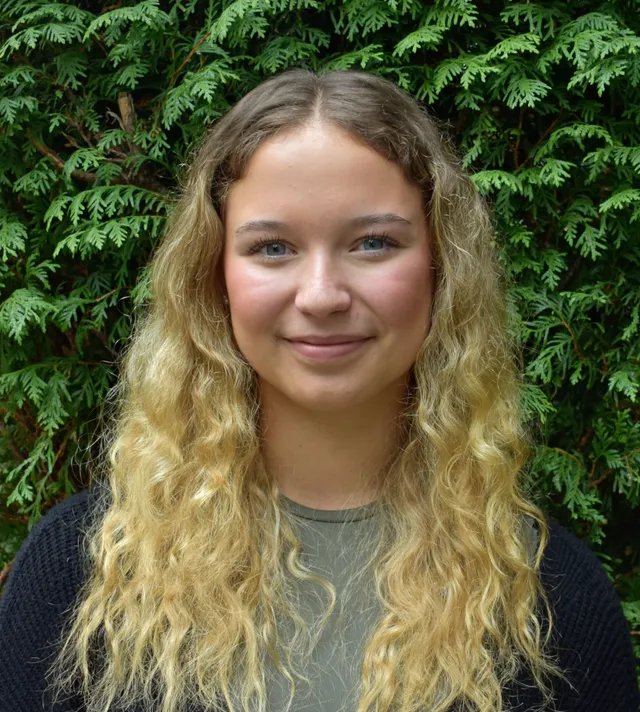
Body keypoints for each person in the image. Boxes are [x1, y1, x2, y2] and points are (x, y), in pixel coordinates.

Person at [0, 68, 638, 712]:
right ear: (213, 276)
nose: (322, 295)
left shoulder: (554, 604)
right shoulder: (77, 578)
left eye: (373, 243)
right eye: (273, 247)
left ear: (442, 266)